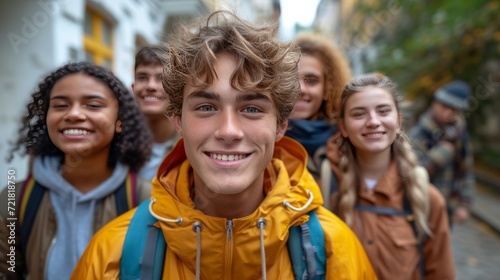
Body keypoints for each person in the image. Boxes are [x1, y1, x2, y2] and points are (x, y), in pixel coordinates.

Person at [72, 11, 376, 279]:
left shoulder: (337, 251)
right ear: (178, 120)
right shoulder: (112, 254)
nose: (228, 131)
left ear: (281, 125)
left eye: (252, 108)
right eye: (206, 107)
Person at [0, 62, 153, 280]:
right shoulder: (15, 200)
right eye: (60, 105)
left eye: (93, 105)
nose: (73, 114)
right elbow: (7, 271)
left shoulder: (145, 200)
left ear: (120, 122)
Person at [330, 73, 455, 279]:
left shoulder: (427, 200)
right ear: (343, 127)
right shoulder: (327, 189)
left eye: (383, 111)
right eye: (359, 114)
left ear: (398, 121)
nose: (373, 121)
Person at [286, 33, 351, 207]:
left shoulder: (349, 144)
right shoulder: (262, 144)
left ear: (327, 89)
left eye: (312, 80)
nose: (300, 89)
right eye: (291, 79)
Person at [408, 80, 474, 227]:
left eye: (455, 109)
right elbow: (411, 175)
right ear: (435, 103)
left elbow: (466, 170)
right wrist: (441, 155)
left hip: (447, 209)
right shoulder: (419, 133)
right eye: (445, 106)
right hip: (421, 208)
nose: (449, 113)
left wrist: (464, 205)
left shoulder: (460, 134)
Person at [132, 45, 179, 181]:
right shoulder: (119, 142)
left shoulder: (190, 146)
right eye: (142, 77)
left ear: (177, 89)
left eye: (161, 78)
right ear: (133, 88)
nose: (151, 86)